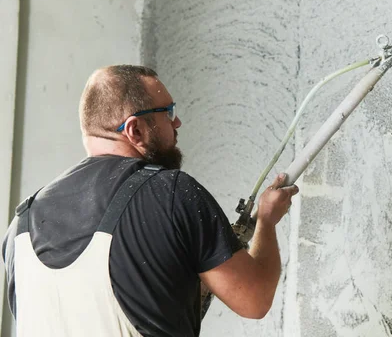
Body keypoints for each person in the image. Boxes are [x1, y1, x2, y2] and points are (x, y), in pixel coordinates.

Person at [2, 65, 299, 337]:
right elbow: (254, 300)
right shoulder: (171, 193)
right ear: (135, 130)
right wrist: (267, 222)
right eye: (168, 112)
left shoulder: (20, 227)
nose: (178, 122)